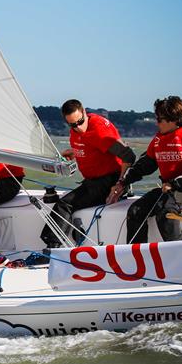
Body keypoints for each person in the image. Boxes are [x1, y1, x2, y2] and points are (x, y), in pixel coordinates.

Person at [110, 96, 182, 244]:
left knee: (166, 213)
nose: (157, 123)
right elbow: (145, 164)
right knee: (135, 211)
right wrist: (123, 182)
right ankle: (137, 257)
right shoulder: (159, 138)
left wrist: (174, 184)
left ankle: (181, 255)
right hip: (168, 188)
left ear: (174, 119)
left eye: (159, 119)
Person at [40, 99, 136, 253]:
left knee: (65, 204)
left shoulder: (99, 131)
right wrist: (74, 152)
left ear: (84, 112)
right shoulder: (78, 129)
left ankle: (52, 250)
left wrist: (120, 184)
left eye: (80, 122)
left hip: (108, 181)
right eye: (72, 125)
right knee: (66, 202)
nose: (78, 127)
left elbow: (129, 156)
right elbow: (91, 145)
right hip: (92, 181)